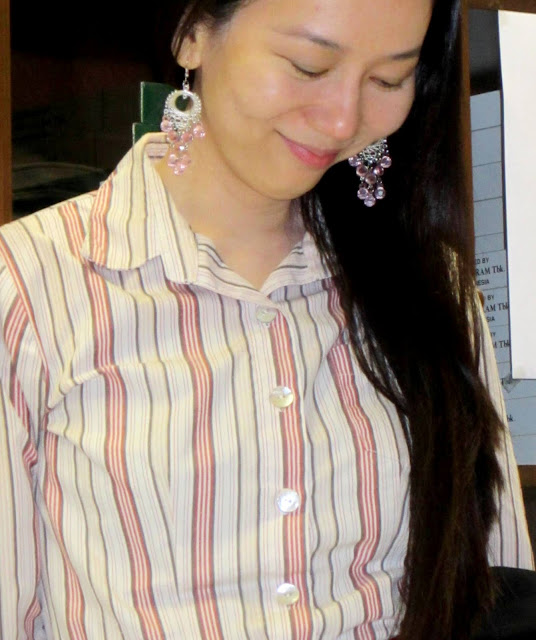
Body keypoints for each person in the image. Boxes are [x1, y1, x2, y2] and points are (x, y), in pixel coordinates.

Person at [0, 0, 533, 638]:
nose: (343, 119)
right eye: (308, 66)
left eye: (388, 79)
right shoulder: (28, 286)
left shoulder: (434, 287)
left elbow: (497, 592)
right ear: (192, 33)